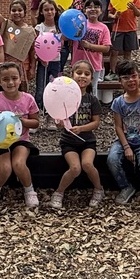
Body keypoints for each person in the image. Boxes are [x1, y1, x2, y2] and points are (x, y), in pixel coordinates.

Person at [0, 62, 40, 210]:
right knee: (5, 167)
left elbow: (36, 123)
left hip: (21, 140)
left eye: (14, 78)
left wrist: (22, 120)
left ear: (20, 79)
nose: (10, 82)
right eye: (5, 79)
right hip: (0, 141)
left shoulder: (28, 99)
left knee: (19, 163)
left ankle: (29, 190)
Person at [49, 60, 104, 210]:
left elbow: (96, 123)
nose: (82, 76)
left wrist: (82, 128)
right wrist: (59, 123)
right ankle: (59, 193)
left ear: (91, 78)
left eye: (87, 74)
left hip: (87, 142)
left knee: (87, 164)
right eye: (79, 73)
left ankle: (98, 189)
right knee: (75, 168)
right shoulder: (64, 98)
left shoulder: (92, 100)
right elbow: (59, 120)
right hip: (69, 142)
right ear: (72, 75)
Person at [107, 59, 140, 208]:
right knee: (112, 159)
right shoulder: (118, 102)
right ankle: (126, 187)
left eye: (134, 76)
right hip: (125, 140)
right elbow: (118, 126)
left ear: (139, 77)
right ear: (120, 81)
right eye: (126, 77)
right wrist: (126, 147)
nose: (131, 80)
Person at [70, 0, 111, 99]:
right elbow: (68, 37)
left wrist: (89, 45)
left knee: (92, 89)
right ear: (84, 10)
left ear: (101, 11)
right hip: (77, 63)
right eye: (89, 7)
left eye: (96, 7)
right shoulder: (79, 24)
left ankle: (93, 110)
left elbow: (106, 48)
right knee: (76, 87)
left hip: (94, 65)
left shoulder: (103, 28)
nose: (93, 9)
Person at [33, 0, 62, 128]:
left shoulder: (59, 27)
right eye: (46, 9)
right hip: (42, 62)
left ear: (55, 11)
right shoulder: (39, 27)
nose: (49, 12)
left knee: (54, 89)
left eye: (52, 9)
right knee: (40, 90)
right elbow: (36, 45)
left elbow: (62, 43)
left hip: (55, 62)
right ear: (41, 12)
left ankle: (51, 118)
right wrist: (40, 58)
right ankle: (37, 117)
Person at [107, 0, 140, 80]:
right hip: (118, 28)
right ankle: (112, 72)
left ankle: (126, 72)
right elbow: (109, 14)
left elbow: (138, 13)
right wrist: (114, 16)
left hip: (131, 28)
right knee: (114, 51)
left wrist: (134, 8)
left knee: (128, 52)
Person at [2, 0, 36, 92]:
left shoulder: (30, 31)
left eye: (20, 10)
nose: (17, 13)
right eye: (13, 10)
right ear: (10, 12)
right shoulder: (6, 25)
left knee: (20, 91)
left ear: (25, 12)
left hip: (22, 67)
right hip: (6, 65)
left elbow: (32, 50)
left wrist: (32, 68)